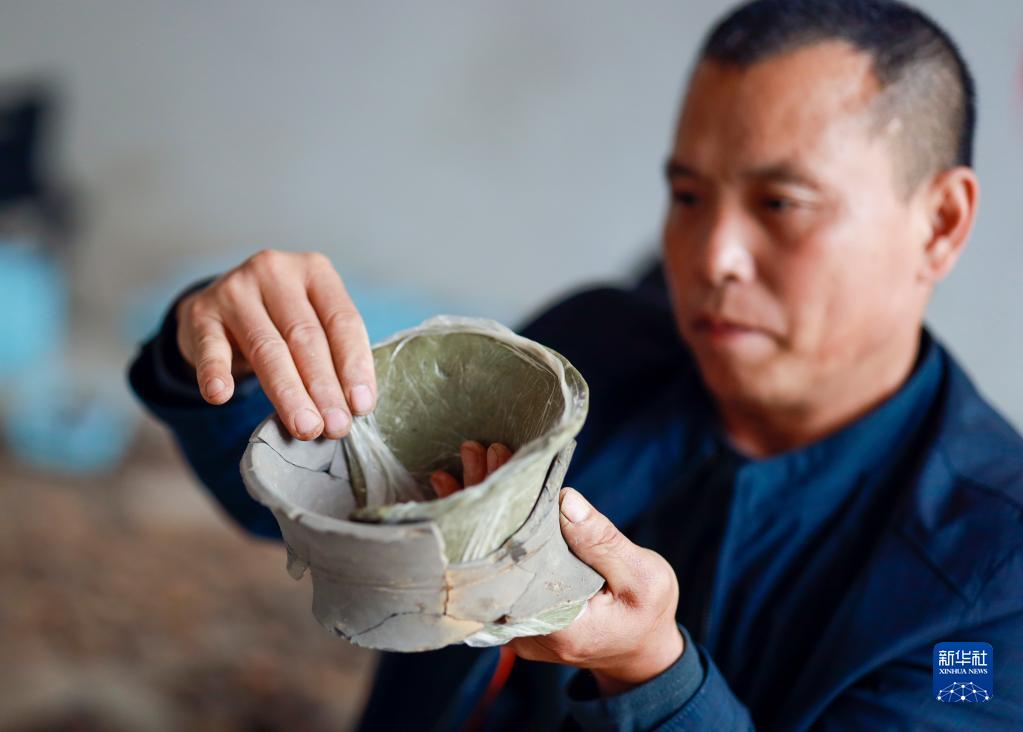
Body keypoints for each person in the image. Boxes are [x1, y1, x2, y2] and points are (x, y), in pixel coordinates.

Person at [128, 0, 1023, 729]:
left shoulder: (991, 585)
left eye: (780, 203)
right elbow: (318, 514)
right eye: (686, 195)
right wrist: (226, 350)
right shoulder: (584, 354)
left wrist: (651, 678)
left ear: (939, 224)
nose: (711, 257)